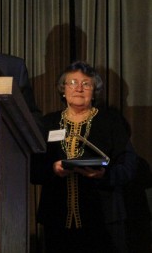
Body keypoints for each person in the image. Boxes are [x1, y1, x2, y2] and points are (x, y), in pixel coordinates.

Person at [31, 61, 137, 252]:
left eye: (86, 84)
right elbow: (32, 168)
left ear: (94, 91)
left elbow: (129, 165)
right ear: (63, 90)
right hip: (57, 219)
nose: (79, 88)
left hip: (104, 220)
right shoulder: (48, 123)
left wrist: (105, 175)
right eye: (72, 82)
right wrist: (52, 169)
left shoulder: (111, 122)